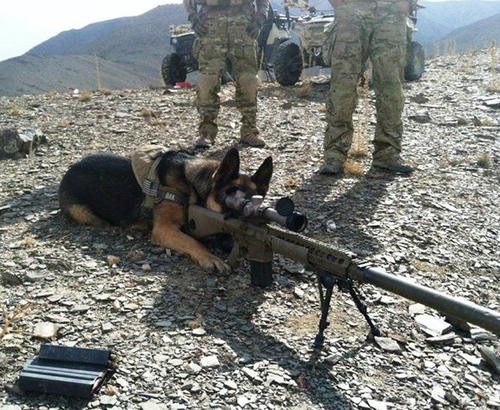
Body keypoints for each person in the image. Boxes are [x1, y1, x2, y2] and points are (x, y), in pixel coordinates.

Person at [321, 0, 415, 174]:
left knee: (391, 89)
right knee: (342, 89)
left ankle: (387, 156)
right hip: (351, 11)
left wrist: (408, 3)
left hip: (391, 12)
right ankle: (334, 156)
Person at [184, 0, 269, 148]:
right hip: (210, 24)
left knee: (248, 80)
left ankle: (249, 130)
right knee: (207, 80)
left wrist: (260, 17)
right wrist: (192, 16)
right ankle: (206, 131)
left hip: (243, 23)